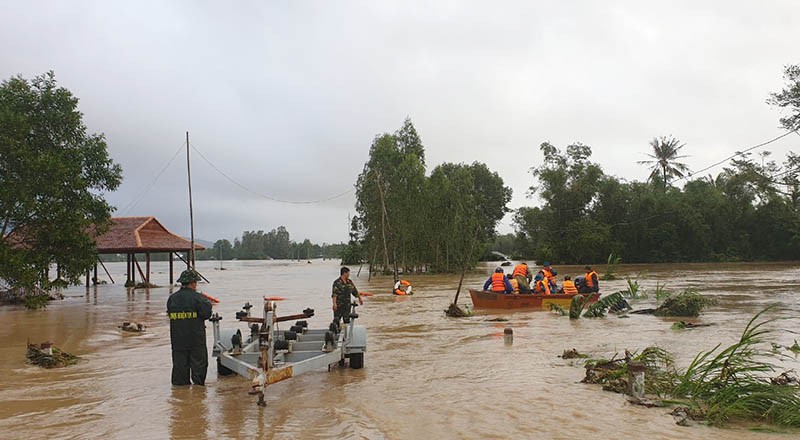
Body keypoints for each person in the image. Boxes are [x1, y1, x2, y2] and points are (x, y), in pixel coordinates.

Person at [167, 269, 213, 386]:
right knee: (199, 368)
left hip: (178, 339)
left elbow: (169, 314)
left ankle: (180, 395)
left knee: (179, 368)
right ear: (192, 283)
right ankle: (198, 393)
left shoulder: (172, 298)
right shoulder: (199, 298)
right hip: (195, 339)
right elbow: (206, 314)